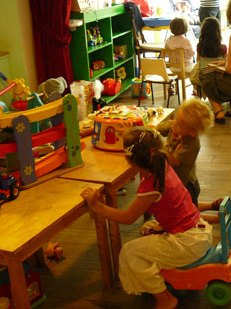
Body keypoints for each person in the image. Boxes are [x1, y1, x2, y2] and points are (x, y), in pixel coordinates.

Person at [81, 127, 212, 309]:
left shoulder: (151, 184)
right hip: (197, 229)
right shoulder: (162, 163)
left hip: (188, 242)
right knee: (147, 228)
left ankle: (164, 298)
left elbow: (128, 218)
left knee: (129, 252)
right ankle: (156, 276)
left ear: (129, 161)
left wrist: (97, 206)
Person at [156, 98, 231, 234]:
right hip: (176, 181)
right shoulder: (177, 125)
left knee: (188, 215)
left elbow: (174, 161)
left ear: (192, 133)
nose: (175, 125)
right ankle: (215, 205)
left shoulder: (192, 144)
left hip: (186, 184)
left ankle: (219, 219)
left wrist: (156, 146)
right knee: (188, 207)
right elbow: (159, 128)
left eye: (180, 125)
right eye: (177, 119)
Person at [190, 17, 228, 96]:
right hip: (219, 80)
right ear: (218, 32)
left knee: (196, 69)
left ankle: (196, 90)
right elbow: (226, 63)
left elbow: (198, 62)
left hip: (204, 80)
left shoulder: (200, 47)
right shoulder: (223, 48)